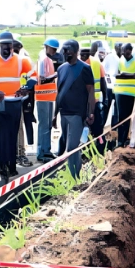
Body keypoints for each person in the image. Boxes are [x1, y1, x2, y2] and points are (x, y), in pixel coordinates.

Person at [0, 32, 36, 186]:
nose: (7, 48)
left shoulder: (21, 61)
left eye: (9, 45)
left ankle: (11, 168)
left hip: (14, 102)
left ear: (13, 46)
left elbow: (34, 76)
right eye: (4, 45)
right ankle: (2, 173)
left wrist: (26, 88)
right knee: (0, 138)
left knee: (12, 136)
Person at [53, 40, 94, 180]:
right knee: (71, 147)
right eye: (63, 50)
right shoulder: (61, 69)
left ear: (76, 51)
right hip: (64, 112)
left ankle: (72, 178)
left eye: (68, 50)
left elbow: (90, 93)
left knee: (72, 147)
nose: (65, 53)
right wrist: (55, 114)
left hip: (78, 114)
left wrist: (90, 113)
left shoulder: (85, 69)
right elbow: (59, 92)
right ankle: (77, 175)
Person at [114, 43, 135, 148]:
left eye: (125, 50)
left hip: (132, 93)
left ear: (130, 50)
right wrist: (125, 75)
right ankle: (120, 141)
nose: (123, 53)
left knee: (129, 117)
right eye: (122, 50)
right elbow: (116, 75)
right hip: (120, 92)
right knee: (121, 117)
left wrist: (123, 75)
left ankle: (126, 139)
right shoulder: (120, 61)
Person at [36, 38, 60, 162]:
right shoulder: (43, 59)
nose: (55, 51)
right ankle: (41, 152)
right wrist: (56, 74)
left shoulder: (48, 59)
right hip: (42, 96)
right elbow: (42, 79)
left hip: (49, 96)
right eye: (53, 49)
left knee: (48, 125)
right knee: (44, 125)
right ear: (47, 47)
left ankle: (46, 149)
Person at [13, 38, 34, 166]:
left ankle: (20, 154)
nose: (15, 52)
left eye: (17, 50)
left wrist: (26, 90)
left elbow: (32, 78)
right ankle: (15, 154)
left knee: (19, 128)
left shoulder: (22, 62)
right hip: (8, 99)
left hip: (19, 100)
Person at [82, 42, 107, 152]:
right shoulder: (96, 63)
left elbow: (102, 82)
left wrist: (106, 98)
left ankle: (95, 150)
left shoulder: (79, 64)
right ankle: (94, 150)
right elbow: (103, 82)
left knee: (92, 128)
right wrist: (106, 98)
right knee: (94, 128)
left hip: (88, 102)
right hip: (92, 101)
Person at [102, 43, 120, 127]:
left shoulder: (123, 58)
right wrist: (108, 81)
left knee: (117, 109)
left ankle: (114, 128)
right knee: (106, 108)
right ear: (115, 48)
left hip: (119, 87)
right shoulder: (109, 57)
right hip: (109, 86)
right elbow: (103, 70)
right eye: (119, 48)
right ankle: (101, 127)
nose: (120, 50)